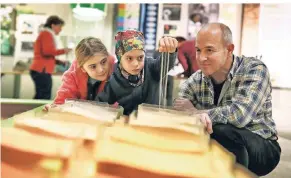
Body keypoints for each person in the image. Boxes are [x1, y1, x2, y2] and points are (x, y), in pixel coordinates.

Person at [174, 23, 281, 176]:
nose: (202, 58)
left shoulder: (254, 69)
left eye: (209, 50)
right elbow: (179, 108)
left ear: (229, 49)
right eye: (198, 50)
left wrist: (196, 112)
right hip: (221, 141)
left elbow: (240, 115)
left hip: (262, 146)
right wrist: (192, 115)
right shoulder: (197, 78)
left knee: (219, 131)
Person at [97, 29, 178, 115]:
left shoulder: (152, 67)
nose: (136, 64)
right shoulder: (113, 76)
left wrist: (171, 51)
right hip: (129, 122)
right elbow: (101, 104)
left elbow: (166, 62)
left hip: (154, 118)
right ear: (120, 58)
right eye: (129, 58)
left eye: (140, 58)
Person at [44, 37, 115, 110]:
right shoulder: (73, 75)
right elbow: (63, 100)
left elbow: (121, 102)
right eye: (93, 66)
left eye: (103, 62)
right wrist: (55, 108)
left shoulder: (117, 70)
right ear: (83, 68)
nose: (101, 70)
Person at [30, 15, 71, 99]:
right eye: (59, 26)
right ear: (53, 25)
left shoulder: (45, 33)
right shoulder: (46, 34)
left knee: (40, 95)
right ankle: (39, 112)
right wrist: (64, 50)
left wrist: (58, 62)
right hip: (41, 70)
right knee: (44, 96)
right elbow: (47, 52)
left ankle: (36, 112)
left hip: (40, 69)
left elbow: (45, 54)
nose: (60, 29)